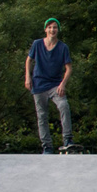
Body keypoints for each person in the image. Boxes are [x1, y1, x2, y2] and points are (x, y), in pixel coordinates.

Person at [24, 18, 73, 154]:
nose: (52, 30)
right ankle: (47, 146)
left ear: (58, 30)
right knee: (42, 115)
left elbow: (69, 68)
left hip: (55, 85)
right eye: (50, 27)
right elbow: (29, 60)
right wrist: (28, 77)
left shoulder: (63, 47)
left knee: (63, 106)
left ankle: (68, 140)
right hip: (39, 83)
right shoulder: (37, 44)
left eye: (55, 28)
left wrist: (63, 84)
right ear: (45, 29)